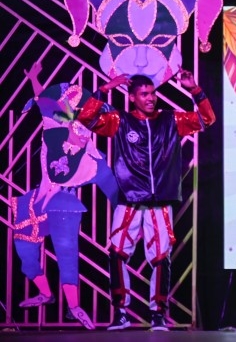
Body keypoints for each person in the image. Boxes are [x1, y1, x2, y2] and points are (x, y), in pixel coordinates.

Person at [77, 70, 215, 331]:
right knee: (117, 253)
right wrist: (105, 88)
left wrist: (194, 89)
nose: (151, 98)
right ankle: (120, 313)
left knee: (161, 257)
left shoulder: (170, 120)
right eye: (144, 94)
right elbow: (86, 118)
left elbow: (207, 118)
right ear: (132, 97)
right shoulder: (120, 121)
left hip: (159, 201)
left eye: (152, 93)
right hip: (129, 199)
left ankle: (158, 315)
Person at [12, 61, 118, 330]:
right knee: (24, 248)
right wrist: (34, 78)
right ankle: (45, 293)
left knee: (66, 253)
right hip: (39, 199)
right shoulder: (53, 127)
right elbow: (44, 101)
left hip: (63, 205)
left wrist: (124, 219)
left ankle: (74, 307)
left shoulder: (93, 160)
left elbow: (112, 189)